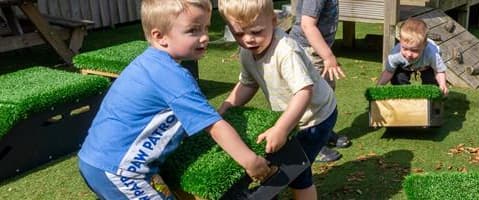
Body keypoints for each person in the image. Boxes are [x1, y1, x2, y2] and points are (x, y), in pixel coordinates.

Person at [77, 0, 272, 199]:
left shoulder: (150, 63)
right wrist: (250, 161)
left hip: (99, 162)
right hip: (121, 171)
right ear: (160, 36)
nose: (205, 37)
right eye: (193, 31)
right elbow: (214, 126)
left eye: (206, 28)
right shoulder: (172, 76)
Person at [217, 0, 338, 199]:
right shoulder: (247, 52)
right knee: (285, 163)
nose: (248, 40)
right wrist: (226, 107)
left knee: (299, 171)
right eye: (239, 34)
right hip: (292, 117)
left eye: (256, 32)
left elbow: (304, 92)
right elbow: (248, 83)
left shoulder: (286, 50)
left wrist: (281, 128)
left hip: (316, 118)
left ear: (274, 21)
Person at [290, 0, 350, 162]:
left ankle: (324, 130)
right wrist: (328, 56)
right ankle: (312, 140)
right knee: (313, 100)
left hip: (318, 50)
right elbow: (308, 25)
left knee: (326, 93)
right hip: (308, 51)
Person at [376, 18, 449, 96]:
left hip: (427, 66)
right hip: (405, 66)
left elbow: (439, 70)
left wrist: (442, 84)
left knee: (431, 82)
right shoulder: (395, 54)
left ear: (424, 46)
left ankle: (431, 102)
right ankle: (404, 96)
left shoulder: (432, 54)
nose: (409, 54)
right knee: (398, 78)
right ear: (400, 41)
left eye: (414, 50)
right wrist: (379, 86)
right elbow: (389, 72)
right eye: (405, 48)